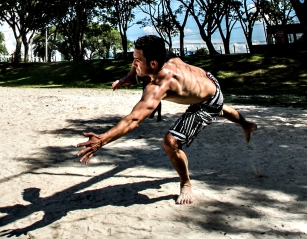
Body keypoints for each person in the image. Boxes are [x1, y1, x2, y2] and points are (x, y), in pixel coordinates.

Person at [77, 35, 258, 205]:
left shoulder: (158, 86)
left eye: (137, 61)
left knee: (171, 142)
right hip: (209, 80)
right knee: (218, 106)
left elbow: (134, 119)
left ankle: (186, 183)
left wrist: (102, 140)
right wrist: (131, 75)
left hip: (207, 101)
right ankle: (246, 124)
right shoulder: (164, 55)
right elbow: (142, 62)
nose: (133, 63)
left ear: (154, 63)